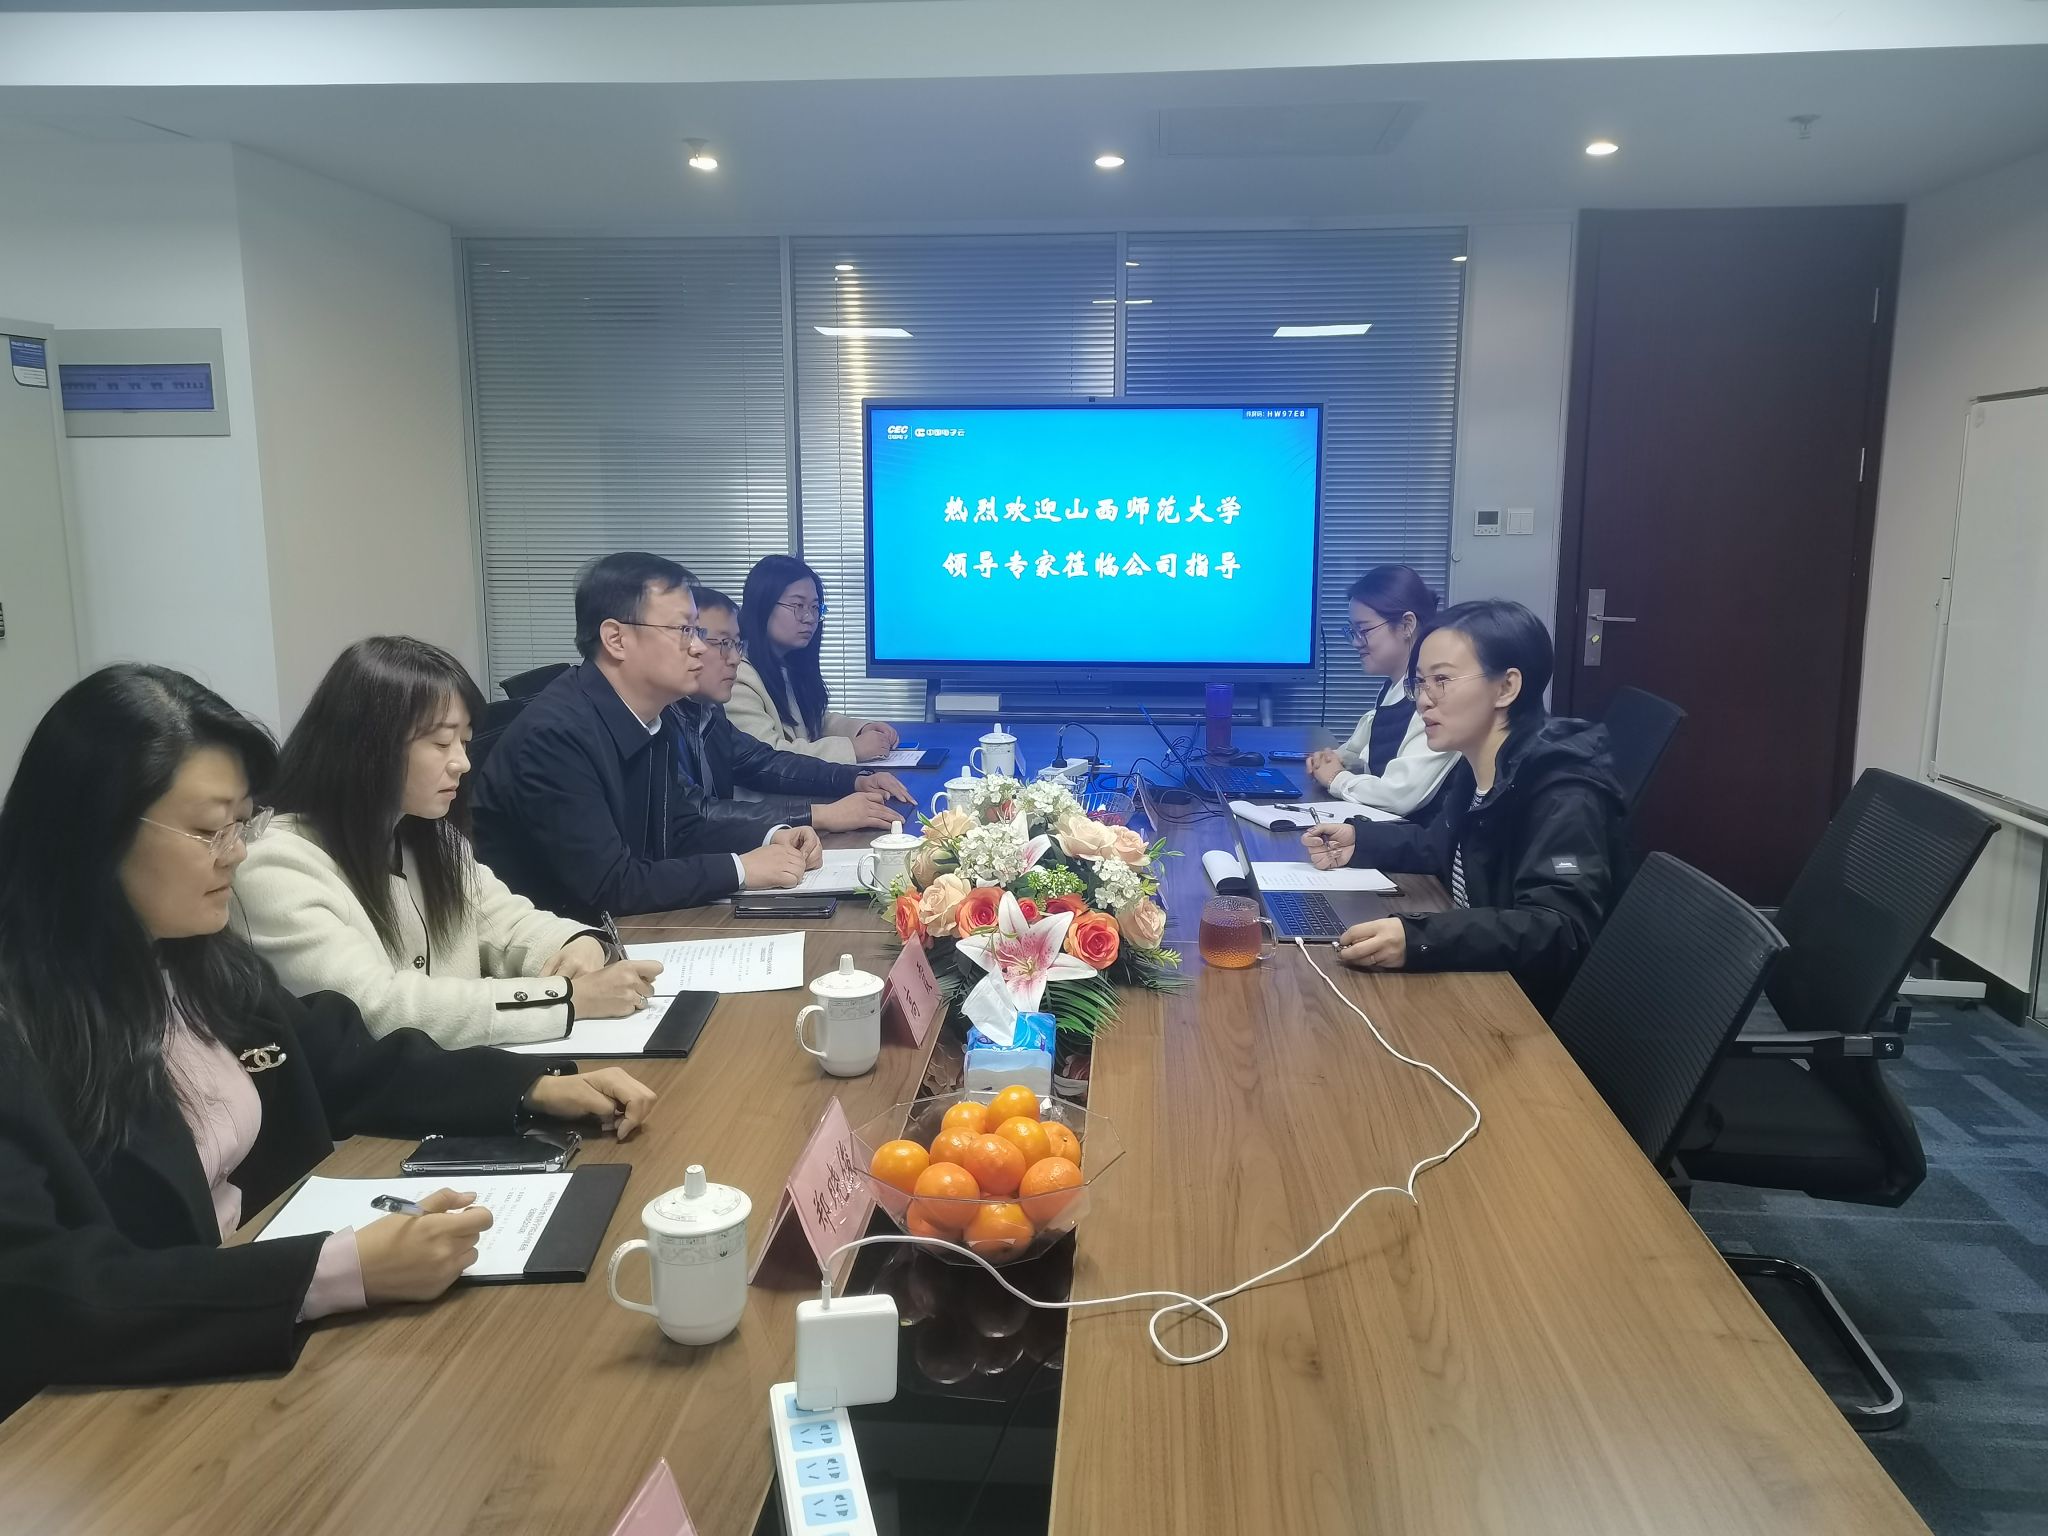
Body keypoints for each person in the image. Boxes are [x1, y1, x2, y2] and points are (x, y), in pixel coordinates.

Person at [0, 665, 657, 1412]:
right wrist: (332, 1271)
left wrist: (530, 1086)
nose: (235, 853)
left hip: (253, 1324)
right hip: (117, 1397)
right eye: (208, 830)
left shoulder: (193, 958)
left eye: (242, 824)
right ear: (91, 831)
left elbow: (342, 1058)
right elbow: (40, 1288)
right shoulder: (25, 1019)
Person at [235, 637, 665, 1048]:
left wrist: (579, 943)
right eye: (441, 742)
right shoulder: (276, 864)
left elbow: (509, 923)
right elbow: (374, 1007)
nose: (462, 762)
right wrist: (566, 999)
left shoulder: (428, 835)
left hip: (463, 1076)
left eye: (464, 741)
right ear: (367, 746)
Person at [1302, 600, 1629, 1016]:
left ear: (1506, 688)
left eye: (1442, 680)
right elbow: (1441, 845)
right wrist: (1360, 841)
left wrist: (1420, 938)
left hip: (1524, 1013)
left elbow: (1558, 929)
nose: (1423, 701)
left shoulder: (1564, 794)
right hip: (1479, 976)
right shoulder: (1478, 764)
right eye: (1420, 682)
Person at [471, 552, 821, 923]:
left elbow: (681, 824)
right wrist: (742, 869)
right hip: (567, 943)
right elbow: (609, 885)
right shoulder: (555, 737)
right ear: (616, 639)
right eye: (684, 631)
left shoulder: (651, 715)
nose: (699, 647)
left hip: (631, 927)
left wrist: (771, 836)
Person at [673, 587, 914, 834]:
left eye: (736, 644)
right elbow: (695, 816)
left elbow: (765, 762)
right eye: (723, 643)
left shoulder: (708, 712)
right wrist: (820, 815)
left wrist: (855, 779)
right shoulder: (663, 723)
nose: (734, 658)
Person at [1305, 565, 1459, 819]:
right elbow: (1364, 749)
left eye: (1364, 631)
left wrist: (1336, 778)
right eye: (1352, 632)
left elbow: (1399, 795)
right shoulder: (1394, 687)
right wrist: (1333, 759)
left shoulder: (1435, 698)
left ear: (1407, 624)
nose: (1356, 642)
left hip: (1421, 839)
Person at [727, 555, 900, 764]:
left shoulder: (784, 663)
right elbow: (768, 758)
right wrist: (852, 749)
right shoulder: (736, 676)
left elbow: (810, 723)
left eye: (815, 607)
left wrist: (860, 729)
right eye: (798, 605)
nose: (809, 618)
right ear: (762, 606)